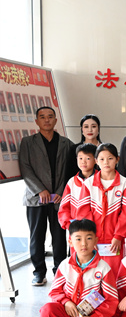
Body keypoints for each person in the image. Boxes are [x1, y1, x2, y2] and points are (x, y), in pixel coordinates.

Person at [40, 219, 118, 317]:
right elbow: (55, 291)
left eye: (89, 238)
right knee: (47, 310)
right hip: (68, 311)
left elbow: (111, 301)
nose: (84, 244)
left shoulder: (103, 268)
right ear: (70, 242)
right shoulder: (65, 265)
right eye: (78, 239)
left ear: (96, 240)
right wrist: (66, 302)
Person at [19, 106, 75, 285]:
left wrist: (60, 192)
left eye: (50, 116)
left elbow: (69, 171)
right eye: (42, 117)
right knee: (37, 236)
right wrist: (39, 190)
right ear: (36, 121)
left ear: (55, 120)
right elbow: (25, 168)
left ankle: (59, 271)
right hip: (36, 199)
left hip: (59, 199)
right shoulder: (28, 142)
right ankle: (39, 272)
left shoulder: (66, 143)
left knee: (59, 237)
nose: (47, 120)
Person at [76, 143, 126, 274]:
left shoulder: (125, 184)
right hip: (93, 238)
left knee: (114, 272)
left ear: (117, 159)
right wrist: (90, 235)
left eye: (110, 158)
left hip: (114, 239)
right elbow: (83, 212)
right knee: (92, 271)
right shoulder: (88, 184)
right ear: (96, 161)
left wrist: (118, 236)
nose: (106, 162)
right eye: (102, 159)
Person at [58, 143, 97, 230]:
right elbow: (64, 207)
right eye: (80, 158)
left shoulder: (101, 181)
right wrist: (69, 225)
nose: (83, 162)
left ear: (95, 160)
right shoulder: (72, 182)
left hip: (96, 229)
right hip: (76, 229)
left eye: (88, 158)